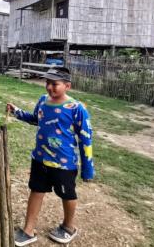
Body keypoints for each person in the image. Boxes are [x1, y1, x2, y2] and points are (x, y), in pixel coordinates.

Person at [6, 67, 94, 246]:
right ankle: (28, 230)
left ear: (67, 86)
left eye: (55, 84)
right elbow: (35, 119)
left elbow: (86, 138)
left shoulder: (77, 109)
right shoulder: (43, 101)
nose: (49, 88)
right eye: (47, 83)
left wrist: (88, 169)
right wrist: (17, 111)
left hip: (64, 164)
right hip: (39, 158)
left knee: (67, 195)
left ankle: (69, 227)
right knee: (36, 190)